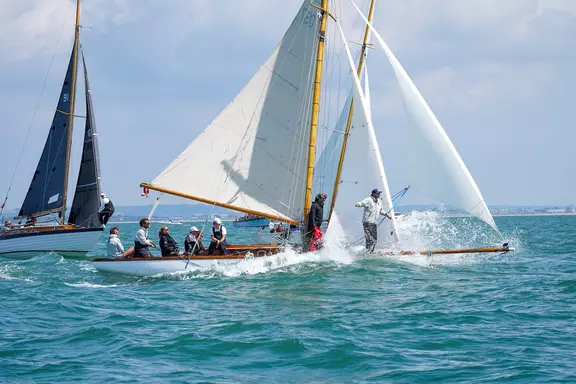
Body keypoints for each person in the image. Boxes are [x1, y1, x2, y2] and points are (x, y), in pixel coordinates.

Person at [355, 188, 392, 252]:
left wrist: (387, 214)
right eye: (378, 193)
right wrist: (358, 204)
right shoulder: (368, 200)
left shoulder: (379, 201)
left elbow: (380, 211)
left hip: (374, 223)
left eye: (379, 193)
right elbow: (362, 203)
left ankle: (371, 252)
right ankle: (367, 251)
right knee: (369, 238)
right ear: (374, 194)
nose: (379, 194)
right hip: (367, 222)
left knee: (374, 240)